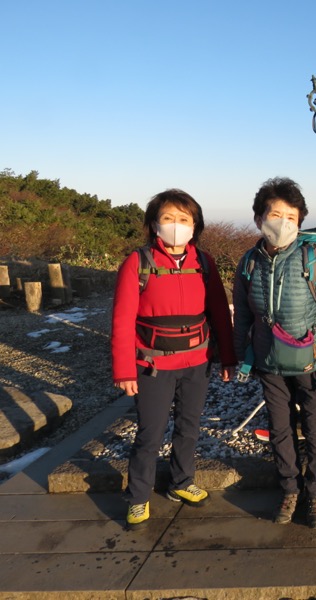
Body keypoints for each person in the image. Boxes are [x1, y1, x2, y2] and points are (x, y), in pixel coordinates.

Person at [111, 189, 236, 530]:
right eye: (168, 219)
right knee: (149, 434)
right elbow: (122, 320)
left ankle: (181, 482)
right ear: (154, 224)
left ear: (195, 226)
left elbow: (220, 316)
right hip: (152, 365)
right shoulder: (137, 262)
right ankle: (137, 496)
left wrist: (227, 358)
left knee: (189, 427)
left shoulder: (204, 263)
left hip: (197, 362)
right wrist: (124, 369)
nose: (176, 226)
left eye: (184, 219)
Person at [233, 177, 316, 529]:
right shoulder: (248, 263)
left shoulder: (311, 258)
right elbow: (241, 315)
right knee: (279, 428)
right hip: (268, 362)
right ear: (258, 218)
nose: (282, 222)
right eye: (275, 214)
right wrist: (238, 356)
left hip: (313, 362)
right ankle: (289, 488)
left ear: (300, 223)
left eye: (291, 217)